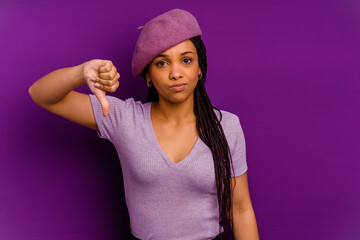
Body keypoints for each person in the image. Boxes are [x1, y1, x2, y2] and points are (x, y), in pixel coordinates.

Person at [28, 8, 259, 240]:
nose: (176, 73)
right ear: (148, 75)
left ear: (199, 68)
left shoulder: (226, 126)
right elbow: (41, 95)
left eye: (186, 60)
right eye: (161, 63)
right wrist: (80, 72)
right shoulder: (124, 118)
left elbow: (240, 209)